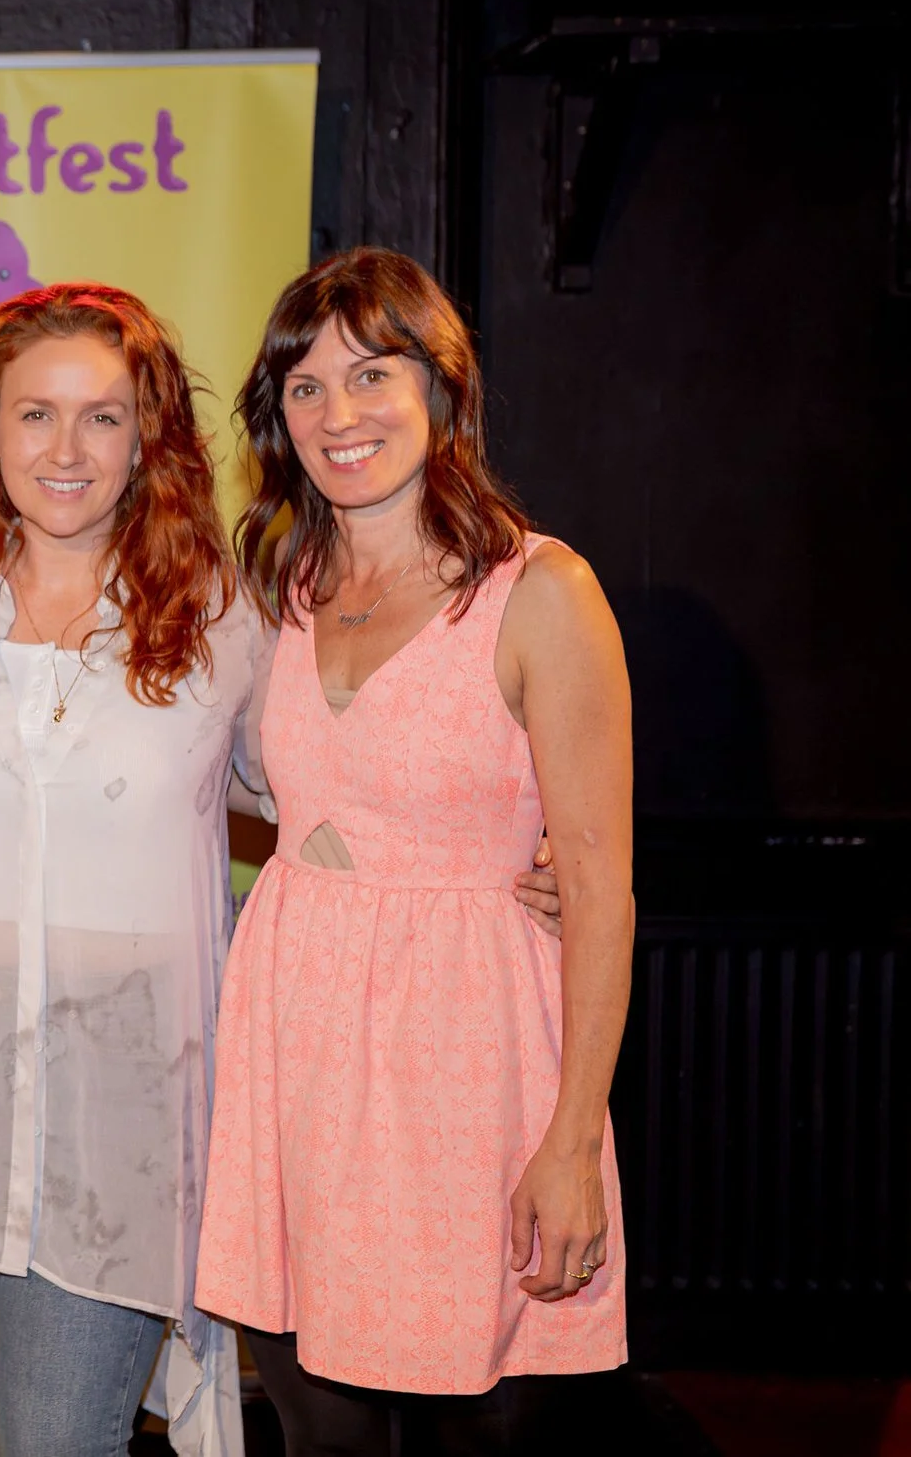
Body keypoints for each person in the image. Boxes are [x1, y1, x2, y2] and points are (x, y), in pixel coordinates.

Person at [196, 247, 635, 1453]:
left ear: (441, 390)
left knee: (482, 1426)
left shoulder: (541, 590)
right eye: (306, 387)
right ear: (276, 417)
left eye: (372, 374)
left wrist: (572, 1138)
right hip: (297, 1051)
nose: (340, 415)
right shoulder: (276, 581)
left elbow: (600, 889)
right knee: (317, 1422)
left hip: (473, 1063)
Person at [0, 284, 257, 1457]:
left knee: (54, 1441)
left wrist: (503, 852)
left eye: (102, 417)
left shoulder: (224, 610)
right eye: (33, 414)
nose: (64, 450)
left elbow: (316, 790)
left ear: (150, 437)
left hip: (117, 1120)